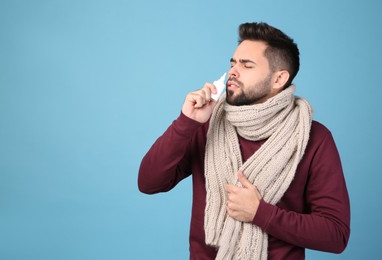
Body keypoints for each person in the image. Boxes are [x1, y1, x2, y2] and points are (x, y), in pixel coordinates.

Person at [138, 22, 350, 260]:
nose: (233, 72)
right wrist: (187, 121)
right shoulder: (207, 124)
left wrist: (261, 213)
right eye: (233, 63)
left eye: (247, 65)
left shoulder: (313, 137)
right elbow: (149, 183)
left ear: (278, 79)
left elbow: (335, 234)